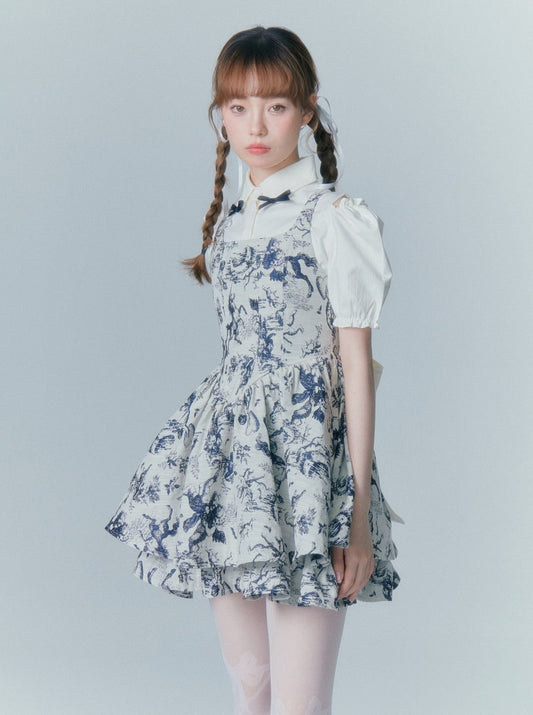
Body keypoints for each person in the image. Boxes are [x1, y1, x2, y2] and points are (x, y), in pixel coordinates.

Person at [105, 25, 404, 714]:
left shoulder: (335, 219)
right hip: (229, 466)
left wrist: (357, 514)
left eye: (275, 105)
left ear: (307, 110)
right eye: (237, 107)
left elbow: (354, 371)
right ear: (220, 116)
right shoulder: (230, 221)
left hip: (306, 476)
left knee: (298, 706)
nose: (256, 126)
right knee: (251, 697)